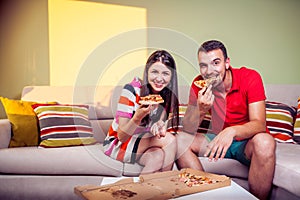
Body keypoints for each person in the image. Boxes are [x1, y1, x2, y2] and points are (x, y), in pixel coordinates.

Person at [176, 40, 276, 200]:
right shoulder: (198, 84)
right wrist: (201, 110)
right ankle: (206, 194)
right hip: (217, 142)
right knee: (180, 140)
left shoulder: (250, 77)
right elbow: (187, 128)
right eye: (203, 65)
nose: (209, 71)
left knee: (265, 142)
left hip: (246, 143)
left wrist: (231, 131)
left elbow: (259, 124)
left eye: (215, 63)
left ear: (227, 63)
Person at [103, 50, 179, 174]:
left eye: (165, 73)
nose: (159, 79)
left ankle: (142, 192)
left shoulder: (165, 95)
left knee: (157, 156)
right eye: (154, 72)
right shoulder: (131, 90)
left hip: (140, 142)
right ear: (147, 72)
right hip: (118, 144)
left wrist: (159, 124)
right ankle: (167, 186)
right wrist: (137, 117)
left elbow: (161, 120)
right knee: (170, 140)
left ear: (171, 78)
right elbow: (122, 136)